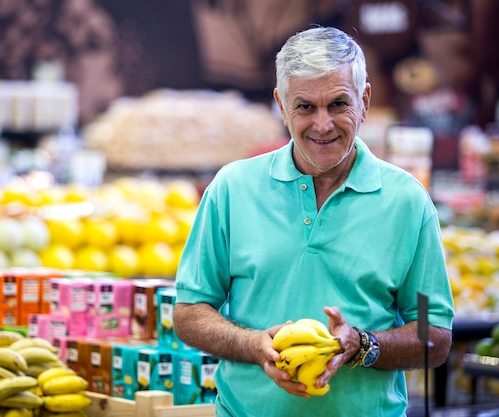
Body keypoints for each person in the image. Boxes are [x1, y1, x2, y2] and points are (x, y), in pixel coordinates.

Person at [173, 26, 454, 417]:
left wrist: (364, 345)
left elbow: (433, 335)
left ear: (365, 100)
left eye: (338, 104)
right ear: (281, 105)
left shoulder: (408, 204)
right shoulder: (233, 190)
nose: (323, 125)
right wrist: (253, 345)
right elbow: (189, 311)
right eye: (305, 107)